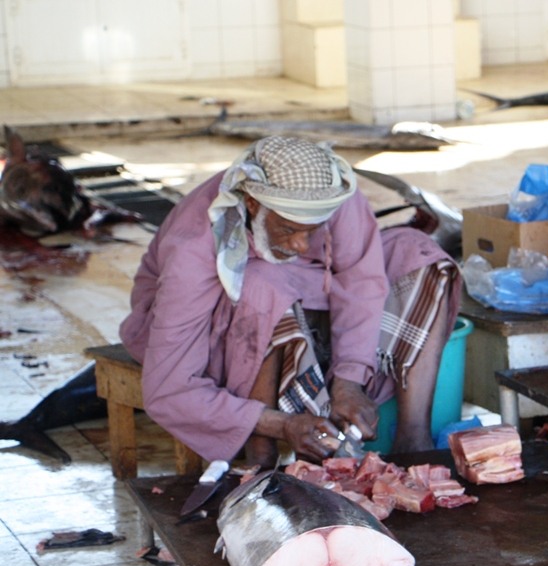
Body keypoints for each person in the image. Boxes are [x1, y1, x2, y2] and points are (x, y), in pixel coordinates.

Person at [120, 136, 460, 468]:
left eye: (312, 230)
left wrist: (349, 380)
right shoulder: (192, 247)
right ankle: (262, 456)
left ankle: (413, 440)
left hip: (306, 290)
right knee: (263, 286)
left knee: (418, 253)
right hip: (215, 324)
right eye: (288, 229)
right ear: (252, 204)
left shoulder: (333, 195)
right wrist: (282, 424)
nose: (300, 244)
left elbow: (361, 280)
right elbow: (170, 390)